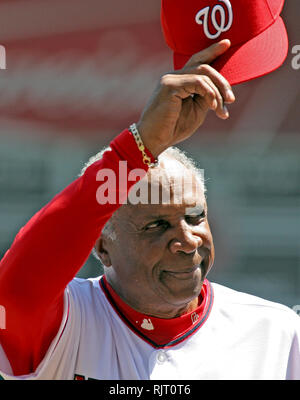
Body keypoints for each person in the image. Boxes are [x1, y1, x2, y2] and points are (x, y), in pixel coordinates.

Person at [0, 40, 299, 380]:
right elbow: (17, 287)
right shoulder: (65, 321)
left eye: (195, 217)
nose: (187, 241)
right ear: (102, 247)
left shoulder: (278, 333)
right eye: (157, 226)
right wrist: (140, 147)